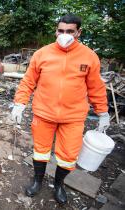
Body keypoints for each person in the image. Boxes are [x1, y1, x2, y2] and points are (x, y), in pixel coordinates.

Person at [11, 14, 110, 204]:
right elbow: (28, 81)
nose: (64, 35)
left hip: (73, 117)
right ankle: (37, 181)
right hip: (44, 113)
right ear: (56, 31)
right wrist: (19, 104)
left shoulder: (89, 57)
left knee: (68, 157)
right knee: (40, 151)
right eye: (61, 31)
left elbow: (96, 87)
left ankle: (59, 184)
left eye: (70, 31)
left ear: (78, 32)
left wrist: (103, 112)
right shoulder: (42, 54)